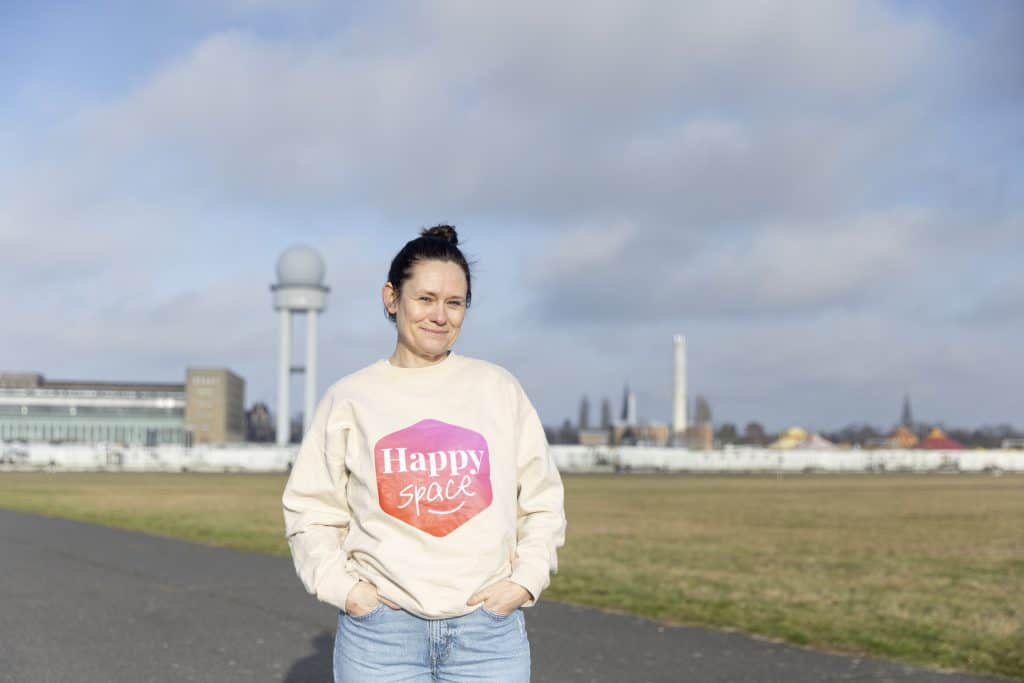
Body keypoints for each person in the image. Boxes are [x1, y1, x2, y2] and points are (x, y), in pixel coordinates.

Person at [282, 225, 567, 682]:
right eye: (426, 298)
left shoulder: (497, 389)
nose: (440, 315)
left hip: (487, 636)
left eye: (455, 303)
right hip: (381, 638)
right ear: (392, 298)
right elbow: (310, 509)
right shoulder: (351, 398)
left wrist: (523, 582)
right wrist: (347, 591)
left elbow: (542, 500)